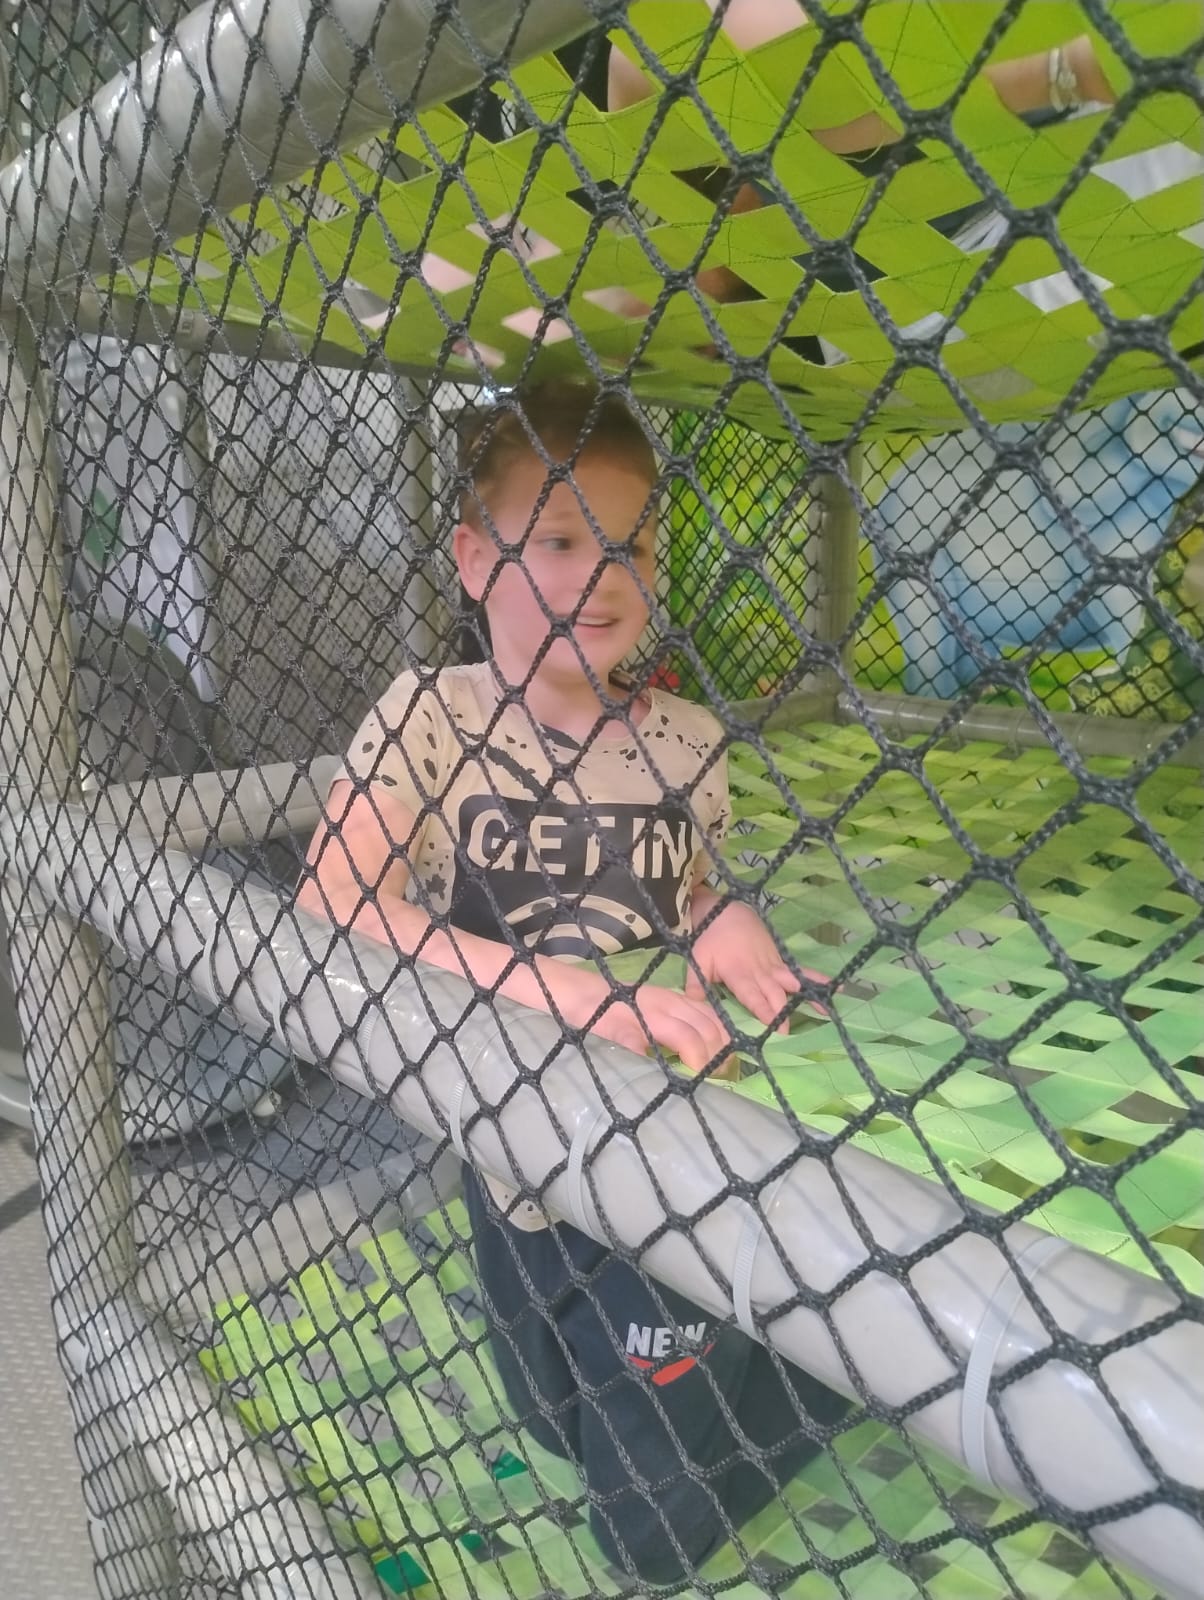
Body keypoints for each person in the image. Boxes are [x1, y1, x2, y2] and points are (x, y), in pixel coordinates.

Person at [297, 379, 849, 1583]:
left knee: (645, 1530)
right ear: (472, 559)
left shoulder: (688, 741)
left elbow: (684, 889)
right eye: (556, 539)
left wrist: (723, 919)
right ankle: (807, 1345)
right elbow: (334, 900)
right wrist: (573, 994)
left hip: (664, 1163)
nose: (601, 573)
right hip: (510, 1141)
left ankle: (825, 1372)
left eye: (631, 545)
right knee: (554, 1423)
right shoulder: (429, 717)